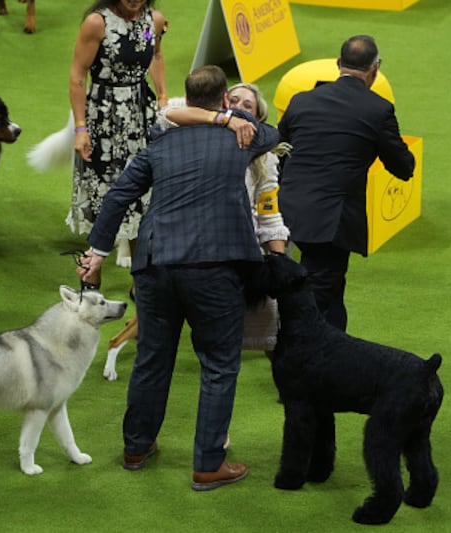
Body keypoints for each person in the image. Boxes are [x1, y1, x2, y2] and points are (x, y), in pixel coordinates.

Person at [77, 65, 280, 490]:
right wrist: (230, 120)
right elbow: (274, 132)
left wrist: (96, 253)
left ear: (184, 102)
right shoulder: (243, 133)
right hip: (216, 267)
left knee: (152, 358)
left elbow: (117, 197)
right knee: (220, 365)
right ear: (225, 100)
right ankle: (208, 464)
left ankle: (136, 446)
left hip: (155, 265)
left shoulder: (159, 145)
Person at [277, 35, 415, 332]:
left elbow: (280, 152)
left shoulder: (301, 100)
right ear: (375, 69)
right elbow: (403, 167)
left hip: (289, 209)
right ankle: (316, 364)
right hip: (331, 221)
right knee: (323, 297)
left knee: (314, 288)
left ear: (338, 64)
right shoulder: (378, 110)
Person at [161, 83, 289, 353]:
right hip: (183, 250)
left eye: (247, 105)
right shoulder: (190, 134)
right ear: (221, 103)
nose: (239, 108)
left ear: (258, 119)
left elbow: (269, 217)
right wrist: (217, 119)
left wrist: (281, 264)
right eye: (233, 100)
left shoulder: (264, 161)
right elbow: (167, 111)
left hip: (237, 253)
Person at [68, 0, 168, 255]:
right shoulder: (96, 23)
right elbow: (78, 74)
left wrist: (163, 94)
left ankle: (139, 267)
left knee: (144, 183)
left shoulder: (152, 20)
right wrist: (81, 128)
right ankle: (93, 275)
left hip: (141, 111)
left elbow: (155, 53)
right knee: (105, 186)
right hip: (104, 115)